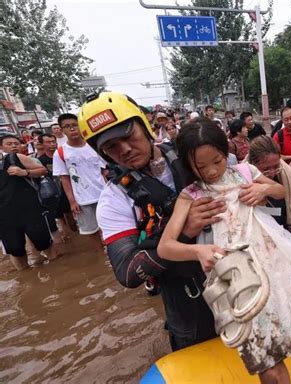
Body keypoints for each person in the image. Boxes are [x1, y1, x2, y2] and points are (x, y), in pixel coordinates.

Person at [158, 119, 291, 384]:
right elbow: (166, 246)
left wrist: (263, 188)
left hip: (281, 268)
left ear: (227, 152)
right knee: (272, 373)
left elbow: (281, 190)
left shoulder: (245, 171)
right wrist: (198, 251)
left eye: (218, 160)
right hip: (242, 284)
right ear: (189, 165)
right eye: (201, 166)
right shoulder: (191, 195)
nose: (211, 171)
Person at [78, 91, 226, 351]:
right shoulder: (113, 200)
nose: (124, 149)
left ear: (144, 125)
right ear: (102, 153)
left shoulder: (190, 155)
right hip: (187, 299)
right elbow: (127, 272)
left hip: (234, 276)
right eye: (111, 146)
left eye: (128, 136)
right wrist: (184, 231)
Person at [0, 136, 57, 270]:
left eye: (16, 143)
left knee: (45, 243)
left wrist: (24, 172)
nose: (14, 146)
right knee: (15, 249)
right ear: (1, 147)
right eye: (9, 144)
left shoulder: (17, 158)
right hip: (4, 216)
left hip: (31, 210)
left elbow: (43, 170)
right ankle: (26, 276)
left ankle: (57, 268)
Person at [53, 113, 106, 250]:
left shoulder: (94, 146)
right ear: (61, 130)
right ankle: (99, 255)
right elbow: (64, 178)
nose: (72, 129)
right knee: (91, 231)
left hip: (104, 195)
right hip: (82, 199)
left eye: (74, 125)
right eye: (67, 126)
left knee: (109, 227)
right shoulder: (60, 153)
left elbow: (104, 171)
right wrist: (72, 201)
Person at [248, 135, 291, 240]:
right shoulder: (244, 180)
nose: (272, 173)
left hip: (285, 234)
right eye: (266, 169)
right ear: (253, 165)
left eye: (276, 166)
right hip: (259, 238)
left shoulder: (286, 174)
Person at [38, 133, 74, 240]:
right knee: (59, 216)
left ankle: (74, 232)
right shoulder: (40, 161)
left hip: (67, 188)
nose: (52, 144)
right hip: (53, 192)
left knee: (70, 214)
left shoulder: (63, 155)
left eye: (53, 141)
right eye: (48, 142)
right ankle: (67, 236)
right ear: (41, 144)